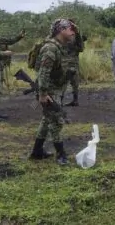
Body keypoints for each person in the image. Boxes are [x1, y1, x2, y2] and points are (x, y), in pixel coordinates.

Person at [29, 18, 76, 165]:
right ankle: (61, 154)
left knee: (46, 121)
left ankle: (37, 151)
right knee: (56, 122)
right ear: (61, 30)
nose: (72, 32)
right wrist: (43, 94)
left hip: (54, 89)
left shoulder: (59, 46)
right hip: (49, 91)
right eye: (69, 29)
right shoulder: (51, 48)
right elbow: (43, 72)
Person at [61, 19, 85, 107]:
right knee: (69, 83)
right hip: (71, 62)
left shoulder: (72, 35)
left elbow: (81, 48)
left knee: (66, 83)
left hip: (68, 62)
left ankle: (70, 100)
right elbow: (81, 48)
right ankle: (74, 100)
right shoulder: (74, 35)